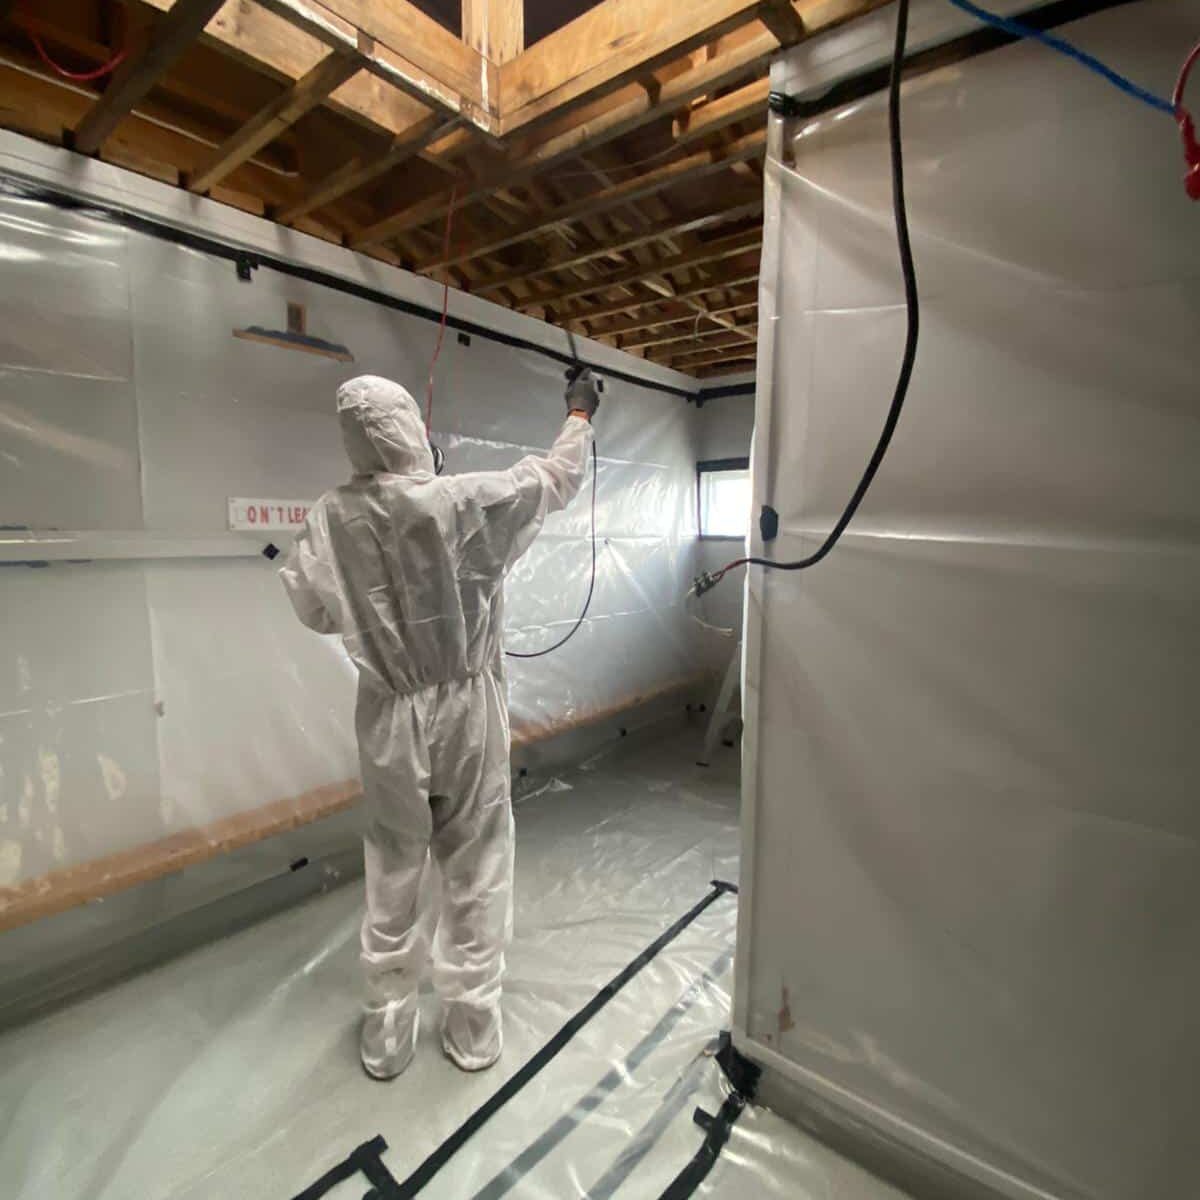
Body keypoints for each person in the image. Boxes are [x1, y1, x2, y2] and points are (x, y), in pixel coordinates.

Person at [279, 369, 599, 1080]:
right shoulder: (465, 500)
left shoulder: (333, 515)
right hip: (467, 710)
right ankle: (473, 1023)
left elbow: (317, 610)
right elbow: (553, 478)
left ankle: (388, 1029)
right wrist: (579, 412)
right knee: (477, 856)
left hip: (390, 713)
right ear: (410, 431)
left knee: (395, 861)